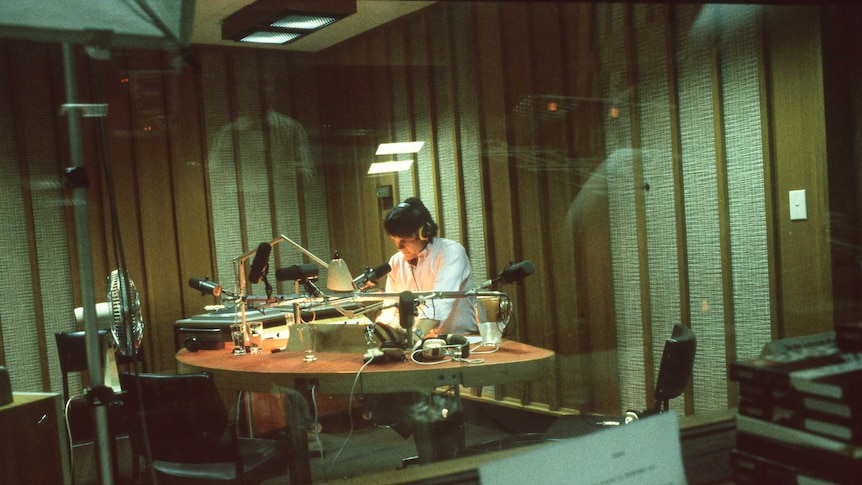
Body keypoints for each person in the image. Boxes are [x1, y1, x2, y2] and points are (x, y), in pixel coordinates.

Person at [374, 197, 483, 338]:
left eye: (404, 241)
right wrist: (384, 335)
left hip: (460, 339)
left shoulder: (451, 252)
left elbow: (439, 302)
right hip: (421, 341)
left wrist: (415, 336)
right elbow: (391, 310)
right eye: (394, 241)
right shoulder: (396, 262)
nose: (399, 247)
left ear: (424, 232)